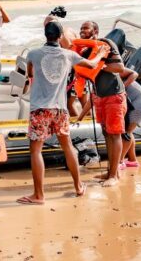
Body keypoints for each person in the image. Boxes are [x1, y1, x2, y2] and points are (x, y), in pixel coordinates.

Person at [18, 21, 95, 204]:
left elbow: (29, 70)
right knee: (67, 146)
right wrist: (100, 53)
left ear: (45, 35)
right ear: (60, 37)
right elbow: (91, 65)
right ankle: (78, 187)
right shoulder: (69, 55)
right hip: (60, 109)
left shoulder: (34, 54)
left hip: (40, 109)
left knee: (36, 151)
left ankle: (39, 195)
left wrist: (31, 77)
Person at [76, 21, 135, 186]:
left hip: (114, 95)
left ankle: (114, 176)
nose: (82, 31)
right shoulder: (86, 50)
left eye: (85, 28)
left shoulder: (106, 44)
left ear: (95, 31)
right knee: (107, 133)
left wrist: (98, 66)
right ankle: (110, 172)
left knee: (115, 134)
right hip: (99, 97)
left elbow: (119, 67)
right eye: (81, 28)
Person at [121, 73, 141, 169]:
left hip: (140, 102)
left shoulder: (116, 69)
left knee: (127, 132)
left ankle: (120, 161)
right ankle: (132, 160)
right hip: (137, 100)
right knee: (129, 131)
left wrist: (122, 86)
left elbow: (134, 74)